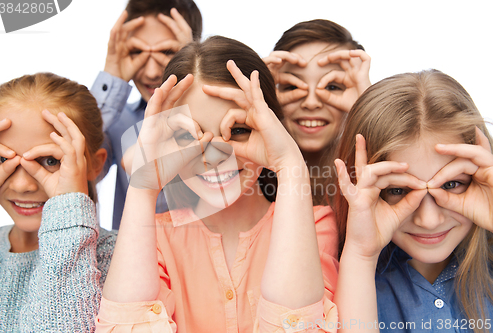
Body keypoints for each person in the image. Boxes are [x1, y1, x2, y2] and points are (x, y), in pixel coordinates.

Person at [95, 36, 339, 332]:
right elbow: (126, 326)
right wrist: (144, 184)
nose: (215, 155)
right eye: (189, 135)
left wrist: (289, 165)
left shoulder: (316, 225)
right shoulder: (153, 238)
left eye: (238, 130)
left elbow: (301, 326)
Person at [333, 70, 493, 332]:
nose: (428, 220)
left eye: (451, 184)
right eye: (398, 190)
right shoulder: (339, 274)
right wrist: (361, 254)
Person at [0, 73, 116, 332]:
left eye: (50, 161)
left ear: (95, 164)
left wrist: (67, 210)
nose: (21, 185)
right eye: (2, 160)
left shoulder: (120, 256)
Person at [91, 0, 203, 229]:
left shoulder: (222, 115)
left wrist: (194, 65)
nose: (152, 71)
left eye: (167, 51)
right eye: (137, 52)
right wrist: (112, 74)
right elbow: (76, 169)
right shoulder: (118, 121)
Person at [264, 19, 371, 205]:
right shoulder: (243, 178)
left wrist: (369, 107)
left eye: (332, 86)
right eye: (291, 86)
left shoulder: (373, 174)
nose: (311, 103)